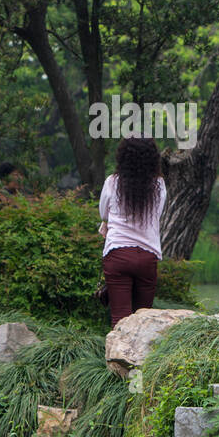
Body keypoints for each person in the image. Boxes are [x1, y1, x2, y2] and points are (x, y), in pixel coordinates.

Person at [99, 136, 165, 326]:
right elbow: (157, 215)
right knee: (143, 320)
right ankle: (142, 356)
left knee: (120, 319)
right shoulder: (159, 185)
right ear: (153, 158)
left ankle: (116, 355)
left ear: (123, 157)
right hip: (147, 255)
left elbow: (104, 213)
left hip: (117, 254)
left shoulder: (112, 182)